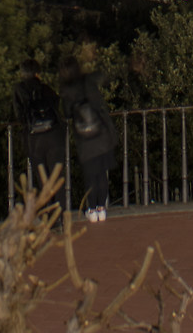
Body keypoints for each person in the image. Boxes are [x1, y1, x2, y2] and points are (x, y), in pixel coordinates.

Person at [61, 43, 119, 223]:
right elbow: (103, 80)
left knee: (90, 176)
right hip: (101, 135)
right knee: (102, 174)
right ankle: (102, 208)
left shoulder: (66, 90)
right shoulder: (88, 81)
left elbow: (67, 113)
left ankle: (91, 209)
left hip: (84, 139)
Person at [15, 66, 66, 199]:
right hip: (53, 136)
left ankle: (49, 215)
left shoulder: (19, 90)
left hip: (34, 140)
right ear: (37, 74)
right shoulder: (46, 89)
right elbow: (57, 104)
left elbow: (18, 115)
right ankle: (60, 212)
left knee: (43, 179)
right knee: (57, 176)